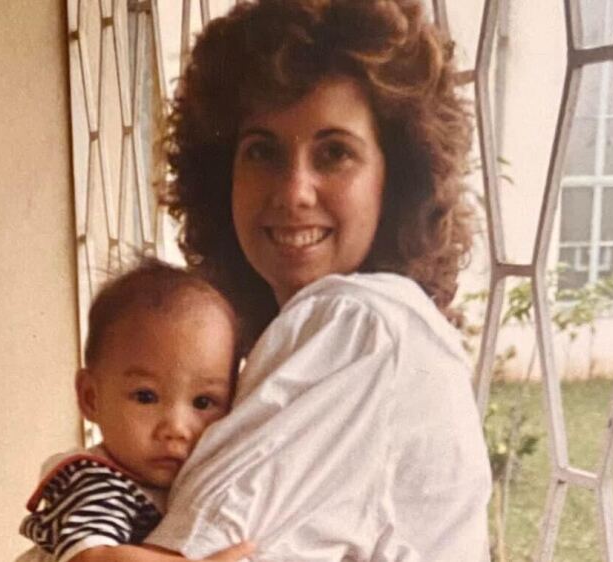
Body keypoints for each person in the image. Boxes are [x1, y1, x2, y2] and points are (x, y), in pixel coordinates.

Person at [133, 0, 492, 560]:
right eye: (262, 152)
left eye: (334, 153)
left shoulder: (358, 324)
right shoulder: (328, 331)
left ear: (393, 179)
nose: (294, 191)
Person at [18, 260, 255, 562]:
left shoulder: (188, 482)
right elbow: (94, 558)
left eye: (203, 402)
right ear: (91, 398)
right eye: (146, 397)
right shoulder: (94, 480)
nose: (176, 428)